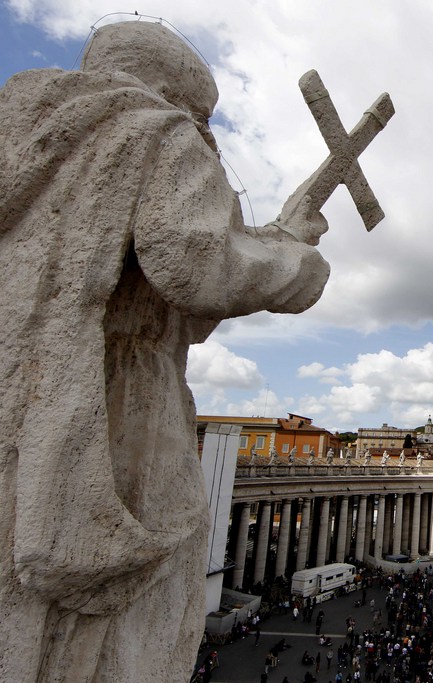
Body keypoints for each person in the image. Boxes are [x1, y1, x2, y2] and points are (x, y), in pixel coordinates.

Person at [0, 20, 332, 683]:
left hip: (24, 385)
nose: (207, 134)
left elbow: (173, 300)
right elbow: (193, 265)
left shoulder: (25, 134)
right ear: (166, 90)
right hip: (117, 398)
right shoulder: (154, 128)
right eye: (202, 115)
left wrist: (273, 231)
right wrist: (297, 261)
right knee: (137, 619)